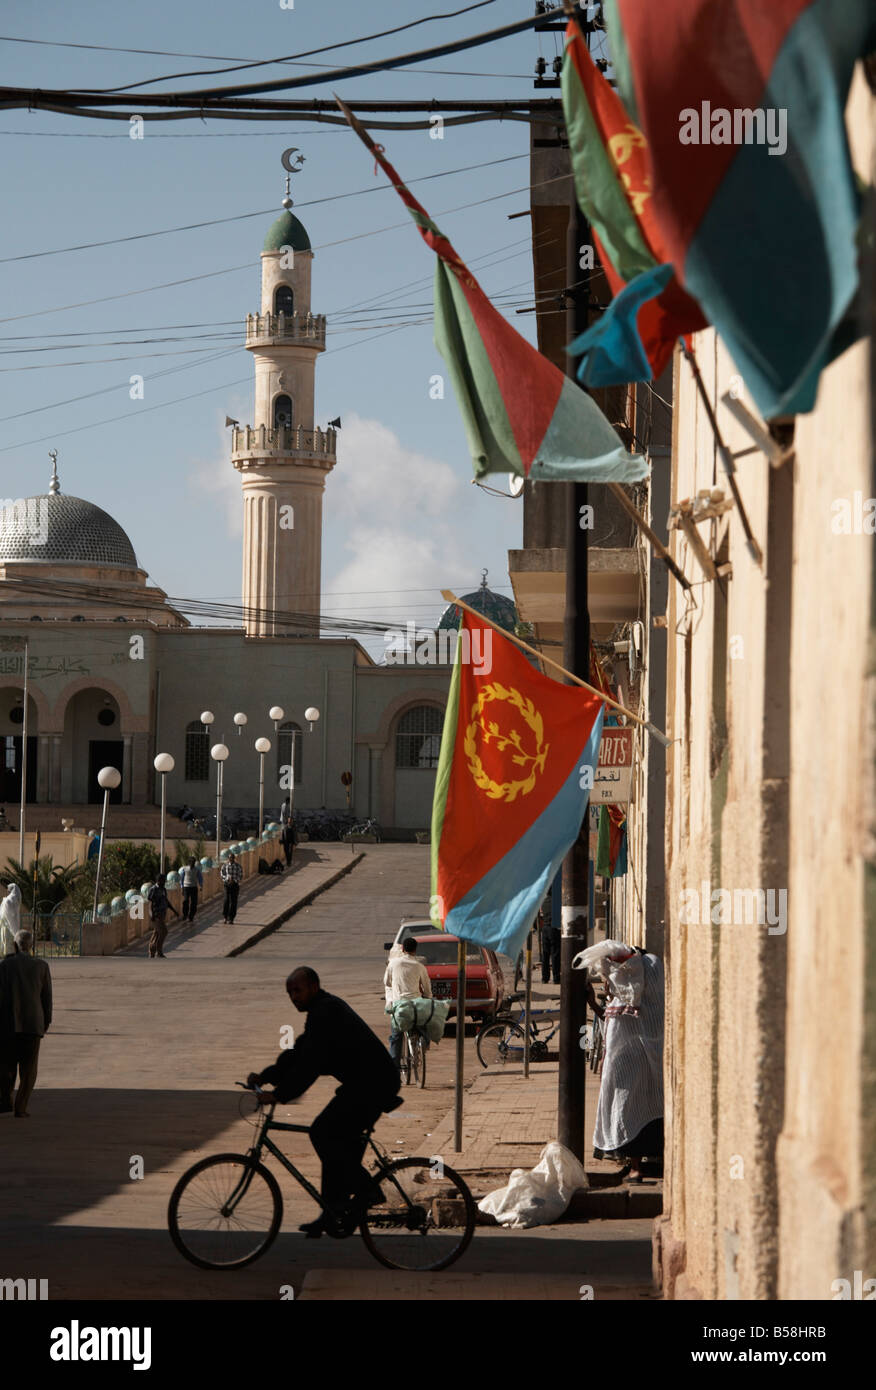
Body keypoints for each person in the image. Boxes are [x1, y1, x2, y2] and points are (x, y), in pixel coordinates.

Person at [247, 966, 401, 1236]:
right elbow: (299, 1052)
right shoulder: (320, 1012)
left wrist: (280, 1095)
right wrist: (267, 1075)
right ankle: (333, 1213)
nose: (293, 996)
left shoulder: (326, 1011)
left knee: (323, 1132)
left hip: (374, 1085)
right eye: (289, 993)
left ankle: (369, 1192)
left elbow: (310, 1065)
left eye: (298, 990)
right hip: (363, 1084)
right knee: (334, 1148)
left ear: (313, 987)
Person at [573, 939, 664, 1181]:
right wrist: (593, 1002)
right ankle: (635, 1164)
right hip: (636, 1064)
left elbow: (617, 1024)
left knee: (627, 1110)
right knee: (633, 1111)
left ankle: (636, 1168)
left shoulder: (632, 999)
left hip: (629, 1065)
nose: (606, 984)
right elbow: (610, 1023)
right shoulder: (629, 999)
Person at [0, 929, 52, 1117]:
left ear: (14, 945)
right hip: (33, 1025)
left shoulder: (5, 965)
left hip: (8, 1025)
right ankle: (21, 1108)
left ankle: (5, 1100)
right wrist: (45, 1022)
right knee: (29, 1071)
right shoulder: (42, 966)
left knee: (6, 1066)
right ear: (32, 946)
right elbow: (47, 999)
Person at [383, 937, 432, 1070]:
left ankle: (395, 1068)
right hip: (416, 1006)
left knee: (396, 1037)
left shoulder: (393, 964)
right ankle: (423, 1044)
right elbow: (427, 988)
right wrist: (428, 998)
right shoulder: (420, 966)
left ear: (403, 949)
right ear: (415, 950)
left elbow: (387, 982)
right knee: (424, 1025)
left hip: (399, 1007)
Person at [146, 873, 179, 959]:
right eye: (163, 880)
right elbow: (150, 903)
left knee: (157, 933)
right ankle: (159, 951)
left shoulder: (163, 889)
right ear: (158, 881)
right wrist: (151, 914)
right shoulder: (153, 889)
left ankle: (152, 952)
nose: (164, 882)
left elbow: (166, 901)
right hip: (156, 915)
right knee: (164, 932)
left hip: (162, 914)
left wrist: (174, 911)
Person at [539, 891, 561, 986]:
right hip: (554, 928)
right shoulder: (556, 902)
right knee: (555, 954)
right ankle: (556, 978)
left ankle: (545, 978)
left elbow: (541, 914)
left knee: (545, 954)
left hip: (545, 929)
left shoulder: (543, 902)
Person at [220, 852, 242, 924]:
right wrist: (227, 879)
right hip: (227, 884)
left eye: (232, 858)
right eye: (230, 858)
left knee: (233, 902)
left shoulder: (238, 866)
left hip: (235, 885)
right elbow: (222, 874)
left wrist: (234, 880)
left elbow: (240, 875)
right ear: (228, 859)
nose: (231, 859)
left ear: (234, 858)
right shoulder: (225, 866)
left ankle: (231, 918)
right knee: (226, 900)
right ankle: (225, 916)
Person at [1, 881, 21, 957]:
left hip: (5, 924)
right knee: (11, 940)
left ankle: (7, 954)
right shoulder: (12, 900)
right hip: (10, 923)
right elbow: (12, 914)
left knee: (6, 940)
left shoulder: (7, 899)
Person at [179, 857, 203, 922]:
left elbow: (200, 878)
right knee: (186, 901)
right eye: (191, 862)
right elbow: (182, 878)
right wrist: (182, 887)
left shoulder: (197, 870)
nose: (192, 864)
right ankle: (185, 914)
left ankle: (191, 915)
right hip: (186, 887)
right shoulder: (185, 869)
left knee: (194, 902)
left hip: (194, 887)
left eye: (193, 862)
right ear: (189, 862)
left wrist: (200, 885)